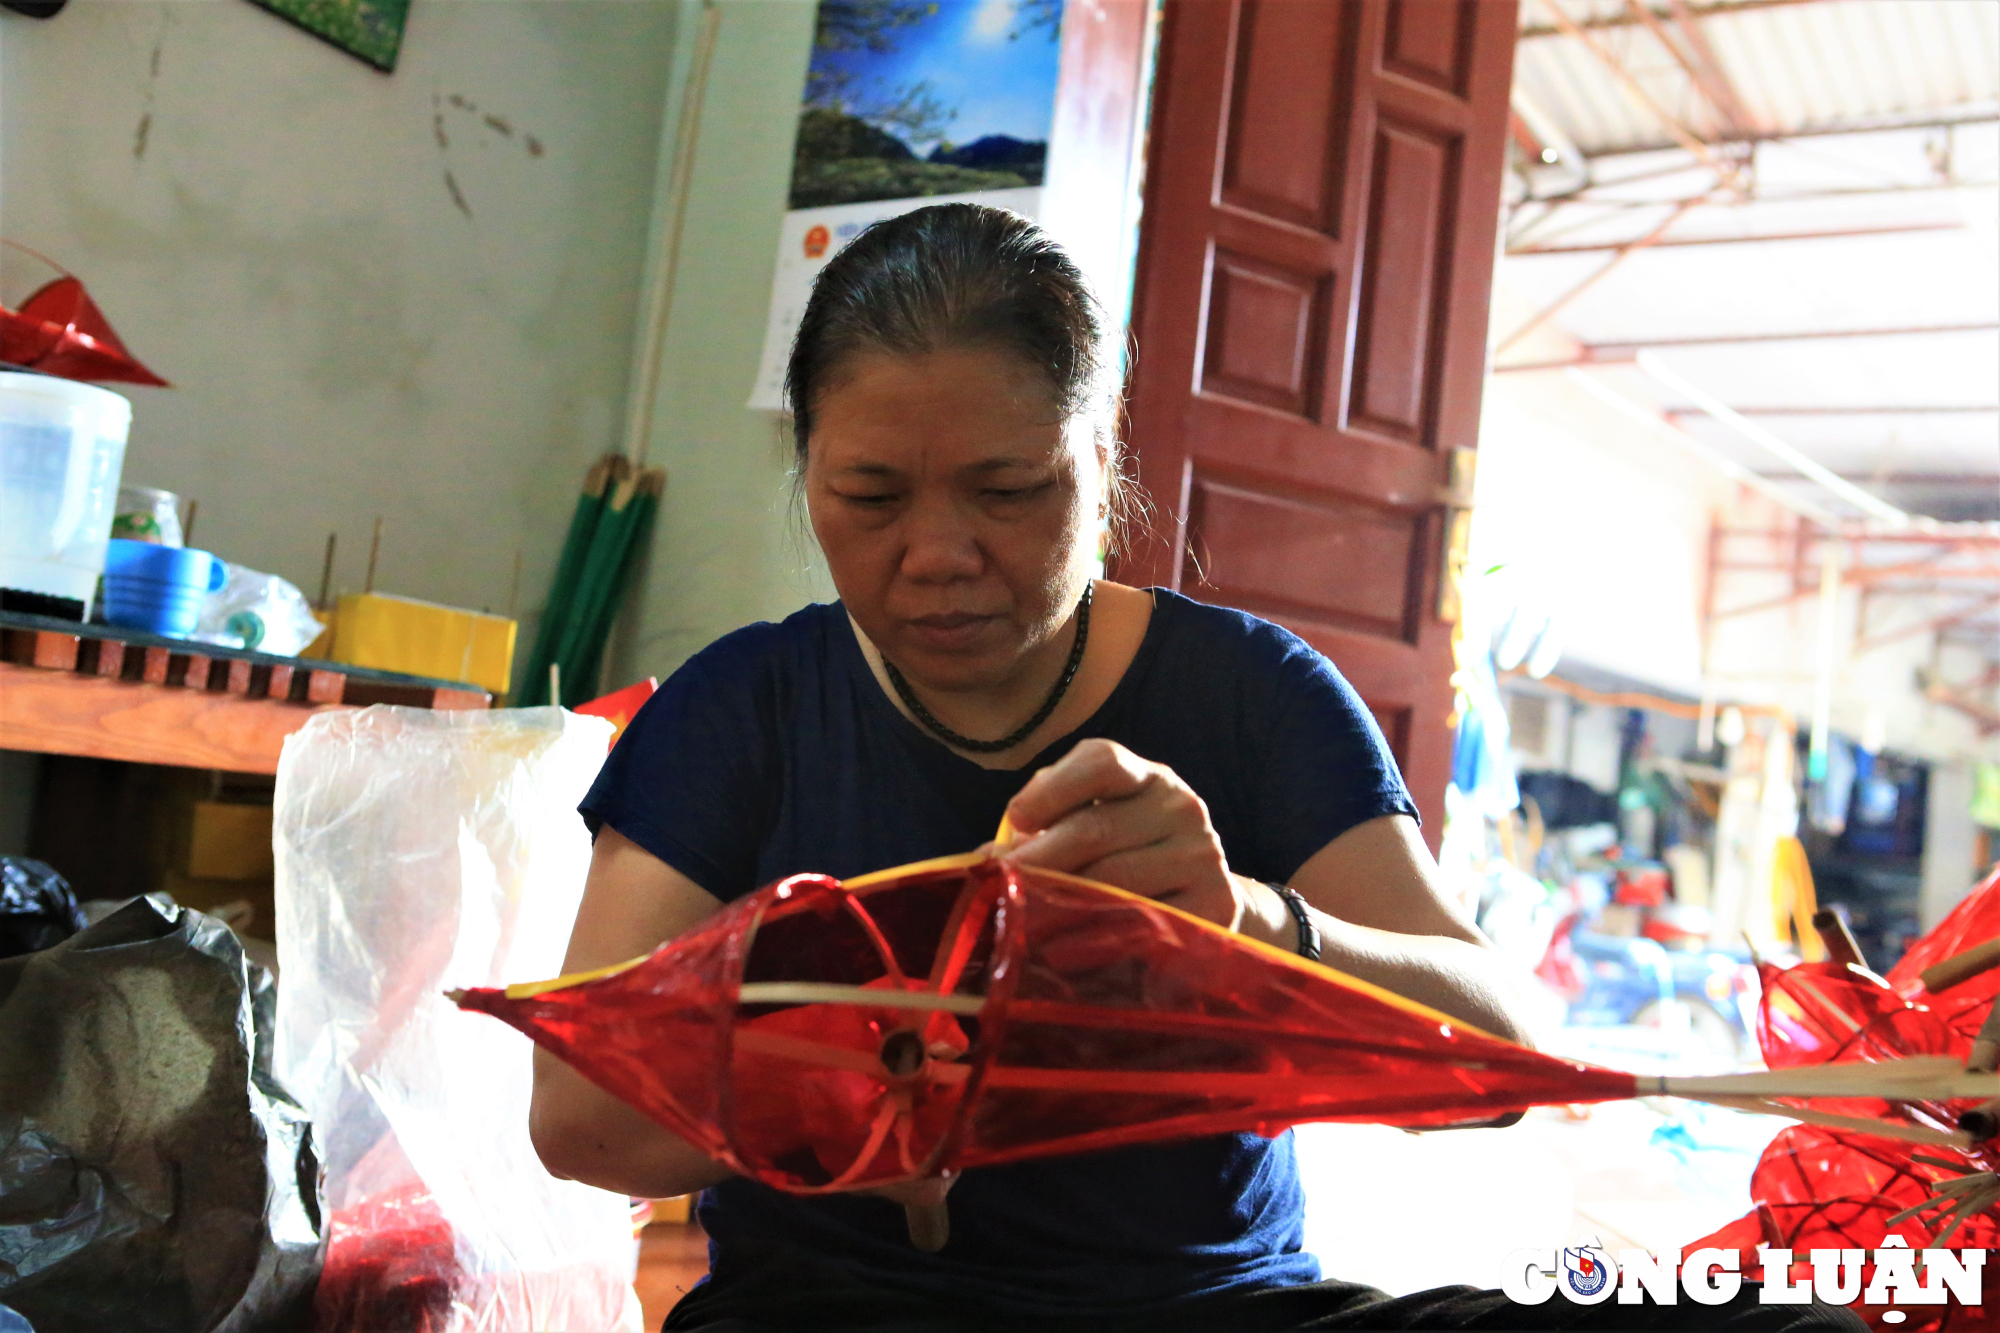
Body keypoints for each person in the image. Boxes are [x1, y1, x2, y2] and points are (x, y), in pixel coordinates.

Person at [532, 205, 1862, 1333]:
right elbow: (579, 1118)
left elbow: (1500, 1065)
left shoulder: (1252, 694)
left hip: (1210, 1308)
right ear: (808, 471)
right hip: (829, 1306)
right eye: (870, 496)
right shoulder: (744, 708)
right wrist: (869, 1094)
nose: (937, 552)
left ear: (1099, 464)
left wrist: (1250, 924)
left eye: (1009, 490)